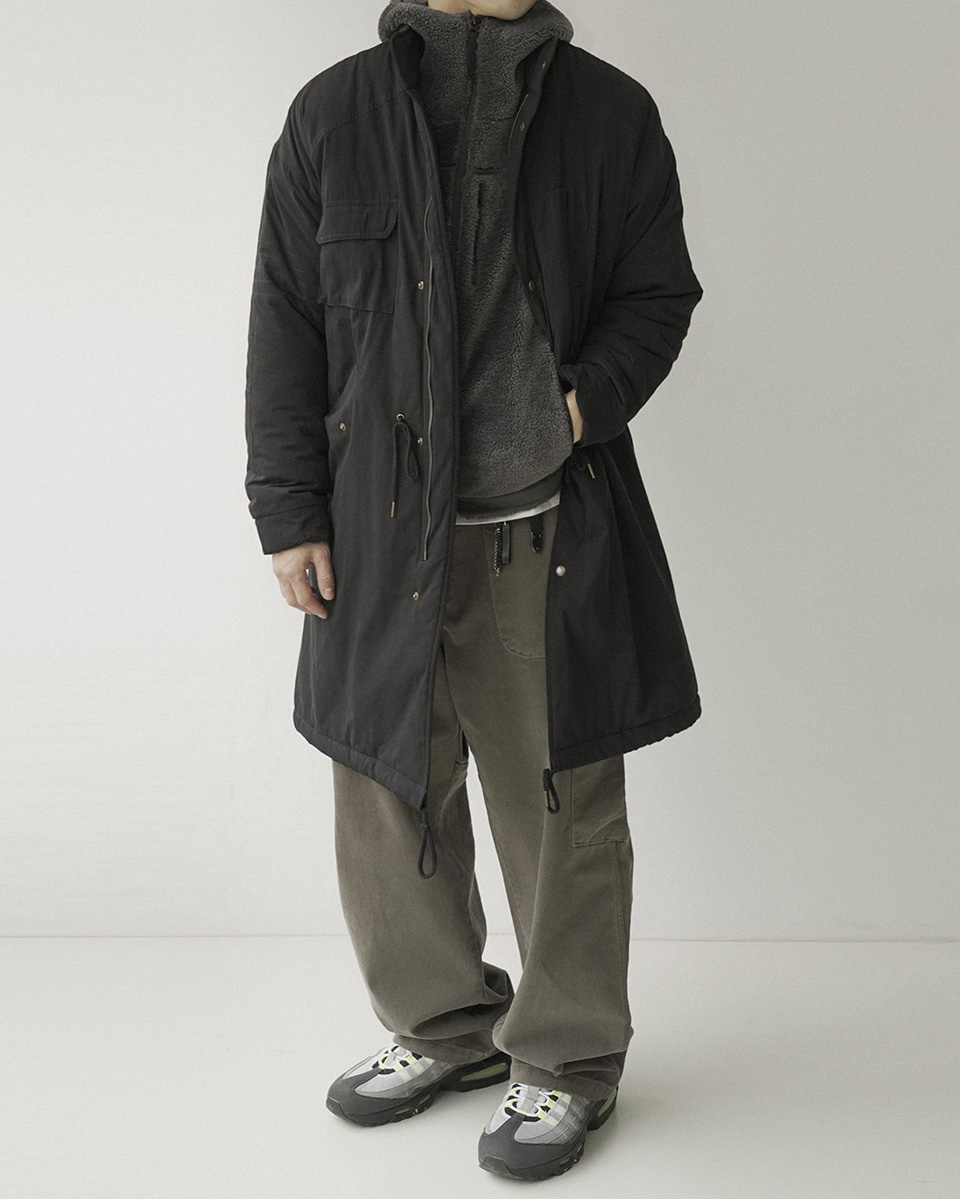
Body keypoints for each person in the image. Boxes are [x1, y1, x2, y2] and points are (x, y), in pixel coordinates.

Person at [244, 0, 703, 1180]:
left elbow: (660, 291)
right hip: (374, 535)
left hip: (544, 533)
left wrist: (578, 406)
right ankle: (443, 1025)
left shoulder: (609, 113)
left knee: (561, 806)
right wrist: (288, 510)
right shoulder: (334, 112)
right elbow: (287, 316)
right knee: (384, 791)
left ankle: (566, 1057)